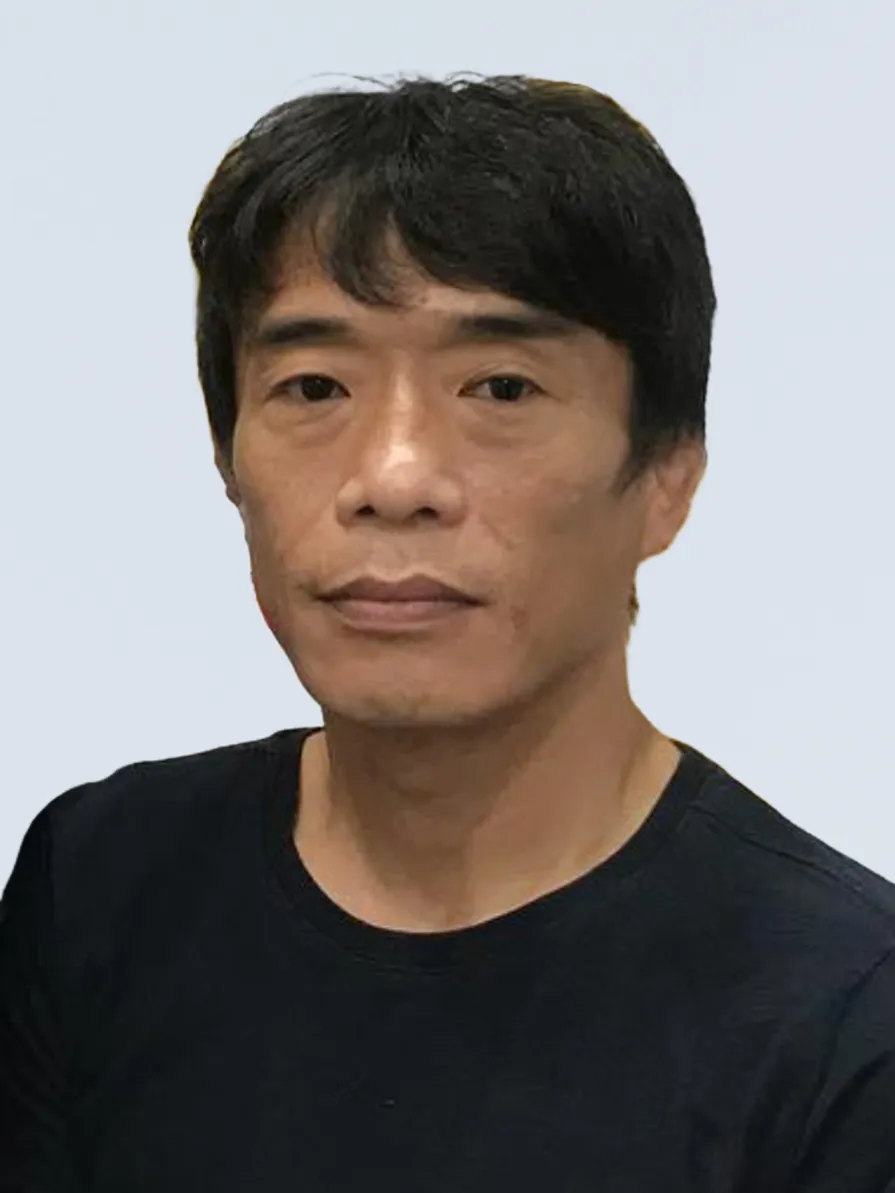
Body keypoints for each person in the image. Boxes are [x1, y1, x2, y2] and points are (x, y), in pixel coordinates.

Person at [1, 73, 893, 1193]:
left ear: (667, 476)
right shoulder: (100, 886)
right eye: (314, 387)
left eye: (501, 388)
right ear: (227, 461)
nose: (393, 477)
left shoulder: (845, 1016)